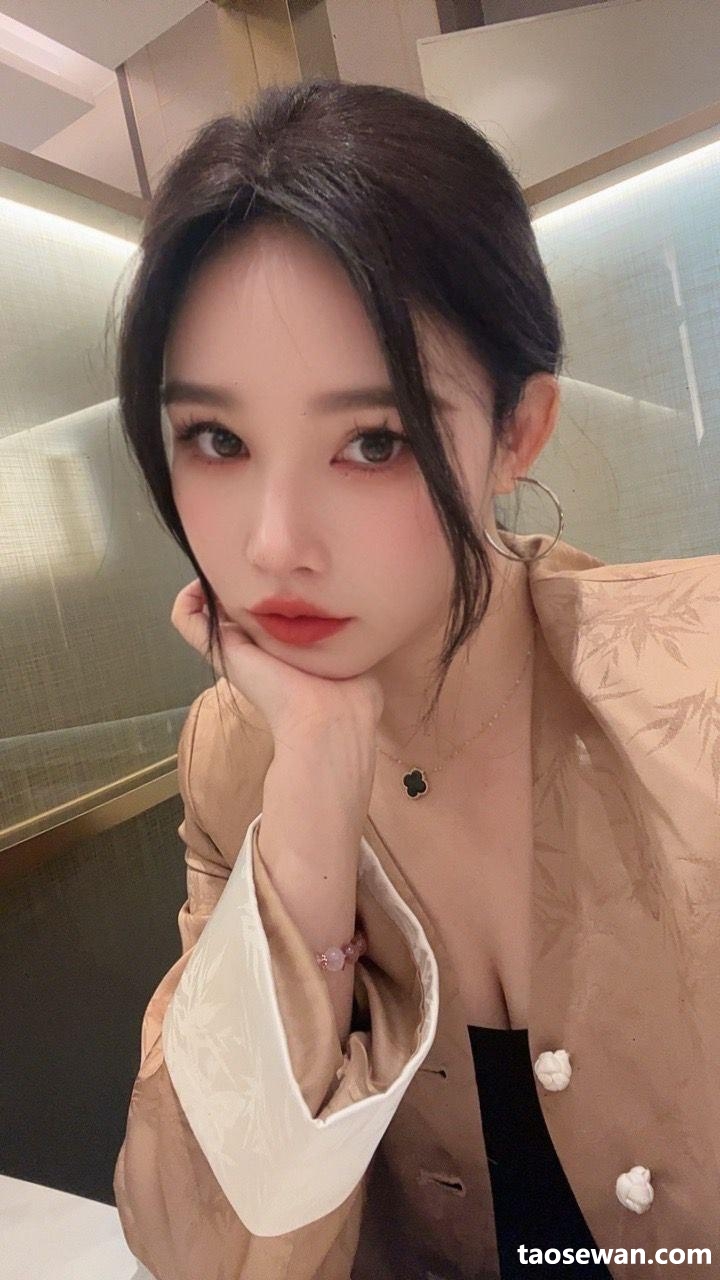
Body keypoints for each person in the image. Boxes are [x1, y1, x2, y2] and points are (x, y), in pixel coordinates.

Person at [112, 79, 719, 1280]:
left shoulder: (695, 683)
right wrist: (313, 790)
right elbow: (202, 1248)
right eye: (217, 440)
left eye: (373, 440)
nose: (274, 544)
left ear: (517, 431)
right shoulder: (235, 758)